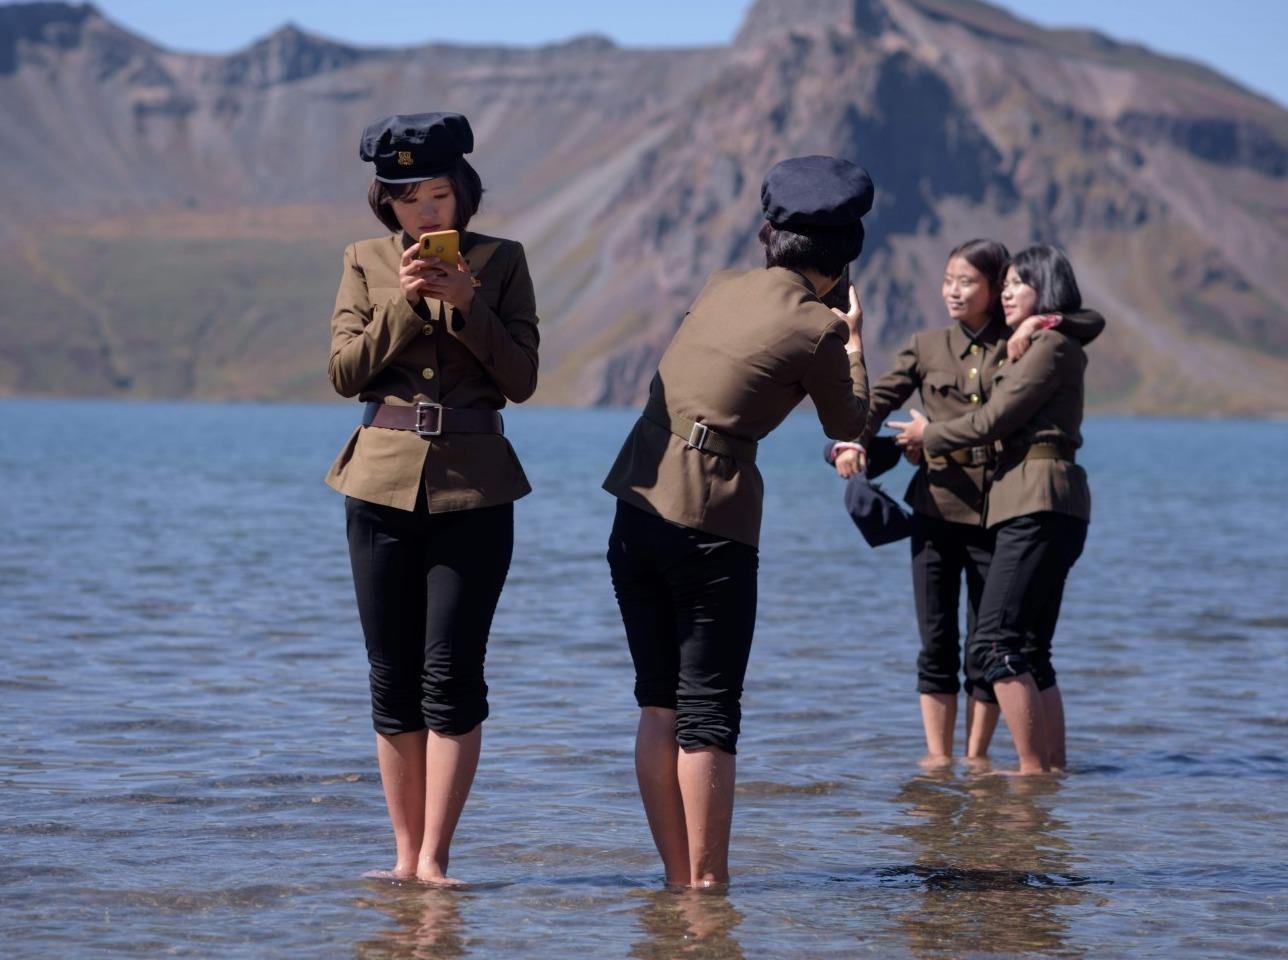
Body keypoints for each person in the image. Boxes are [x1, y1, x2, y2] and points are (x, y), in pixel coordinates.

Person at [603, 155, 875, 887]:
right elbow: (849, 422)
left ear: (766, 234)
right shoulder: (818, 328)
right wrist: (853, 342)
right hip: (709, 518)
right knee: (708, 714)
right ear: (846, 255)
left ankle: (676, 881)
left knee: (658, 704)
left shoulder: (720, 285)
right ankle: (709, 891)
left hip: (635, 502)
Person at [324, 112, 540, 882]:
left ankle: (436, 860)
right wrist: (407, 304)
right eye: (408, 199)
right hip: (376, 484)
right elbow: (344, 373)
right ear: (386, 202)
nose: (425, 212)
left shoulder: (503, 261)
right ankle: (401, 859)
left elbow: (522, 379)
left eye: (439, 195)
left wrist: (468, 303)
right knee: (391, 677)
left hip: (475, 487)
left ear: (463, 193)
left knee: (452, 676)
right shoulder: (363, 261)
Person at [827, 240, 1103, 768]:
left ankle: (982, 761)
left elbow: (1078, 326)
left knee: (991, 644)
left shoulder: (1030, 339)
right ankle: (947, 762)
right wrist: (849, 441)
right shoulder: (928, 345)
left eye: (970, 281)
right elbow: (879, 399)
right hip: (938, 505)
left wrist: (1038, 323)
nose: (954, 291)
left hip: (999, 509)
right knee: (942, 643)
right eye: (948, 279)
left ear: (997, 288)